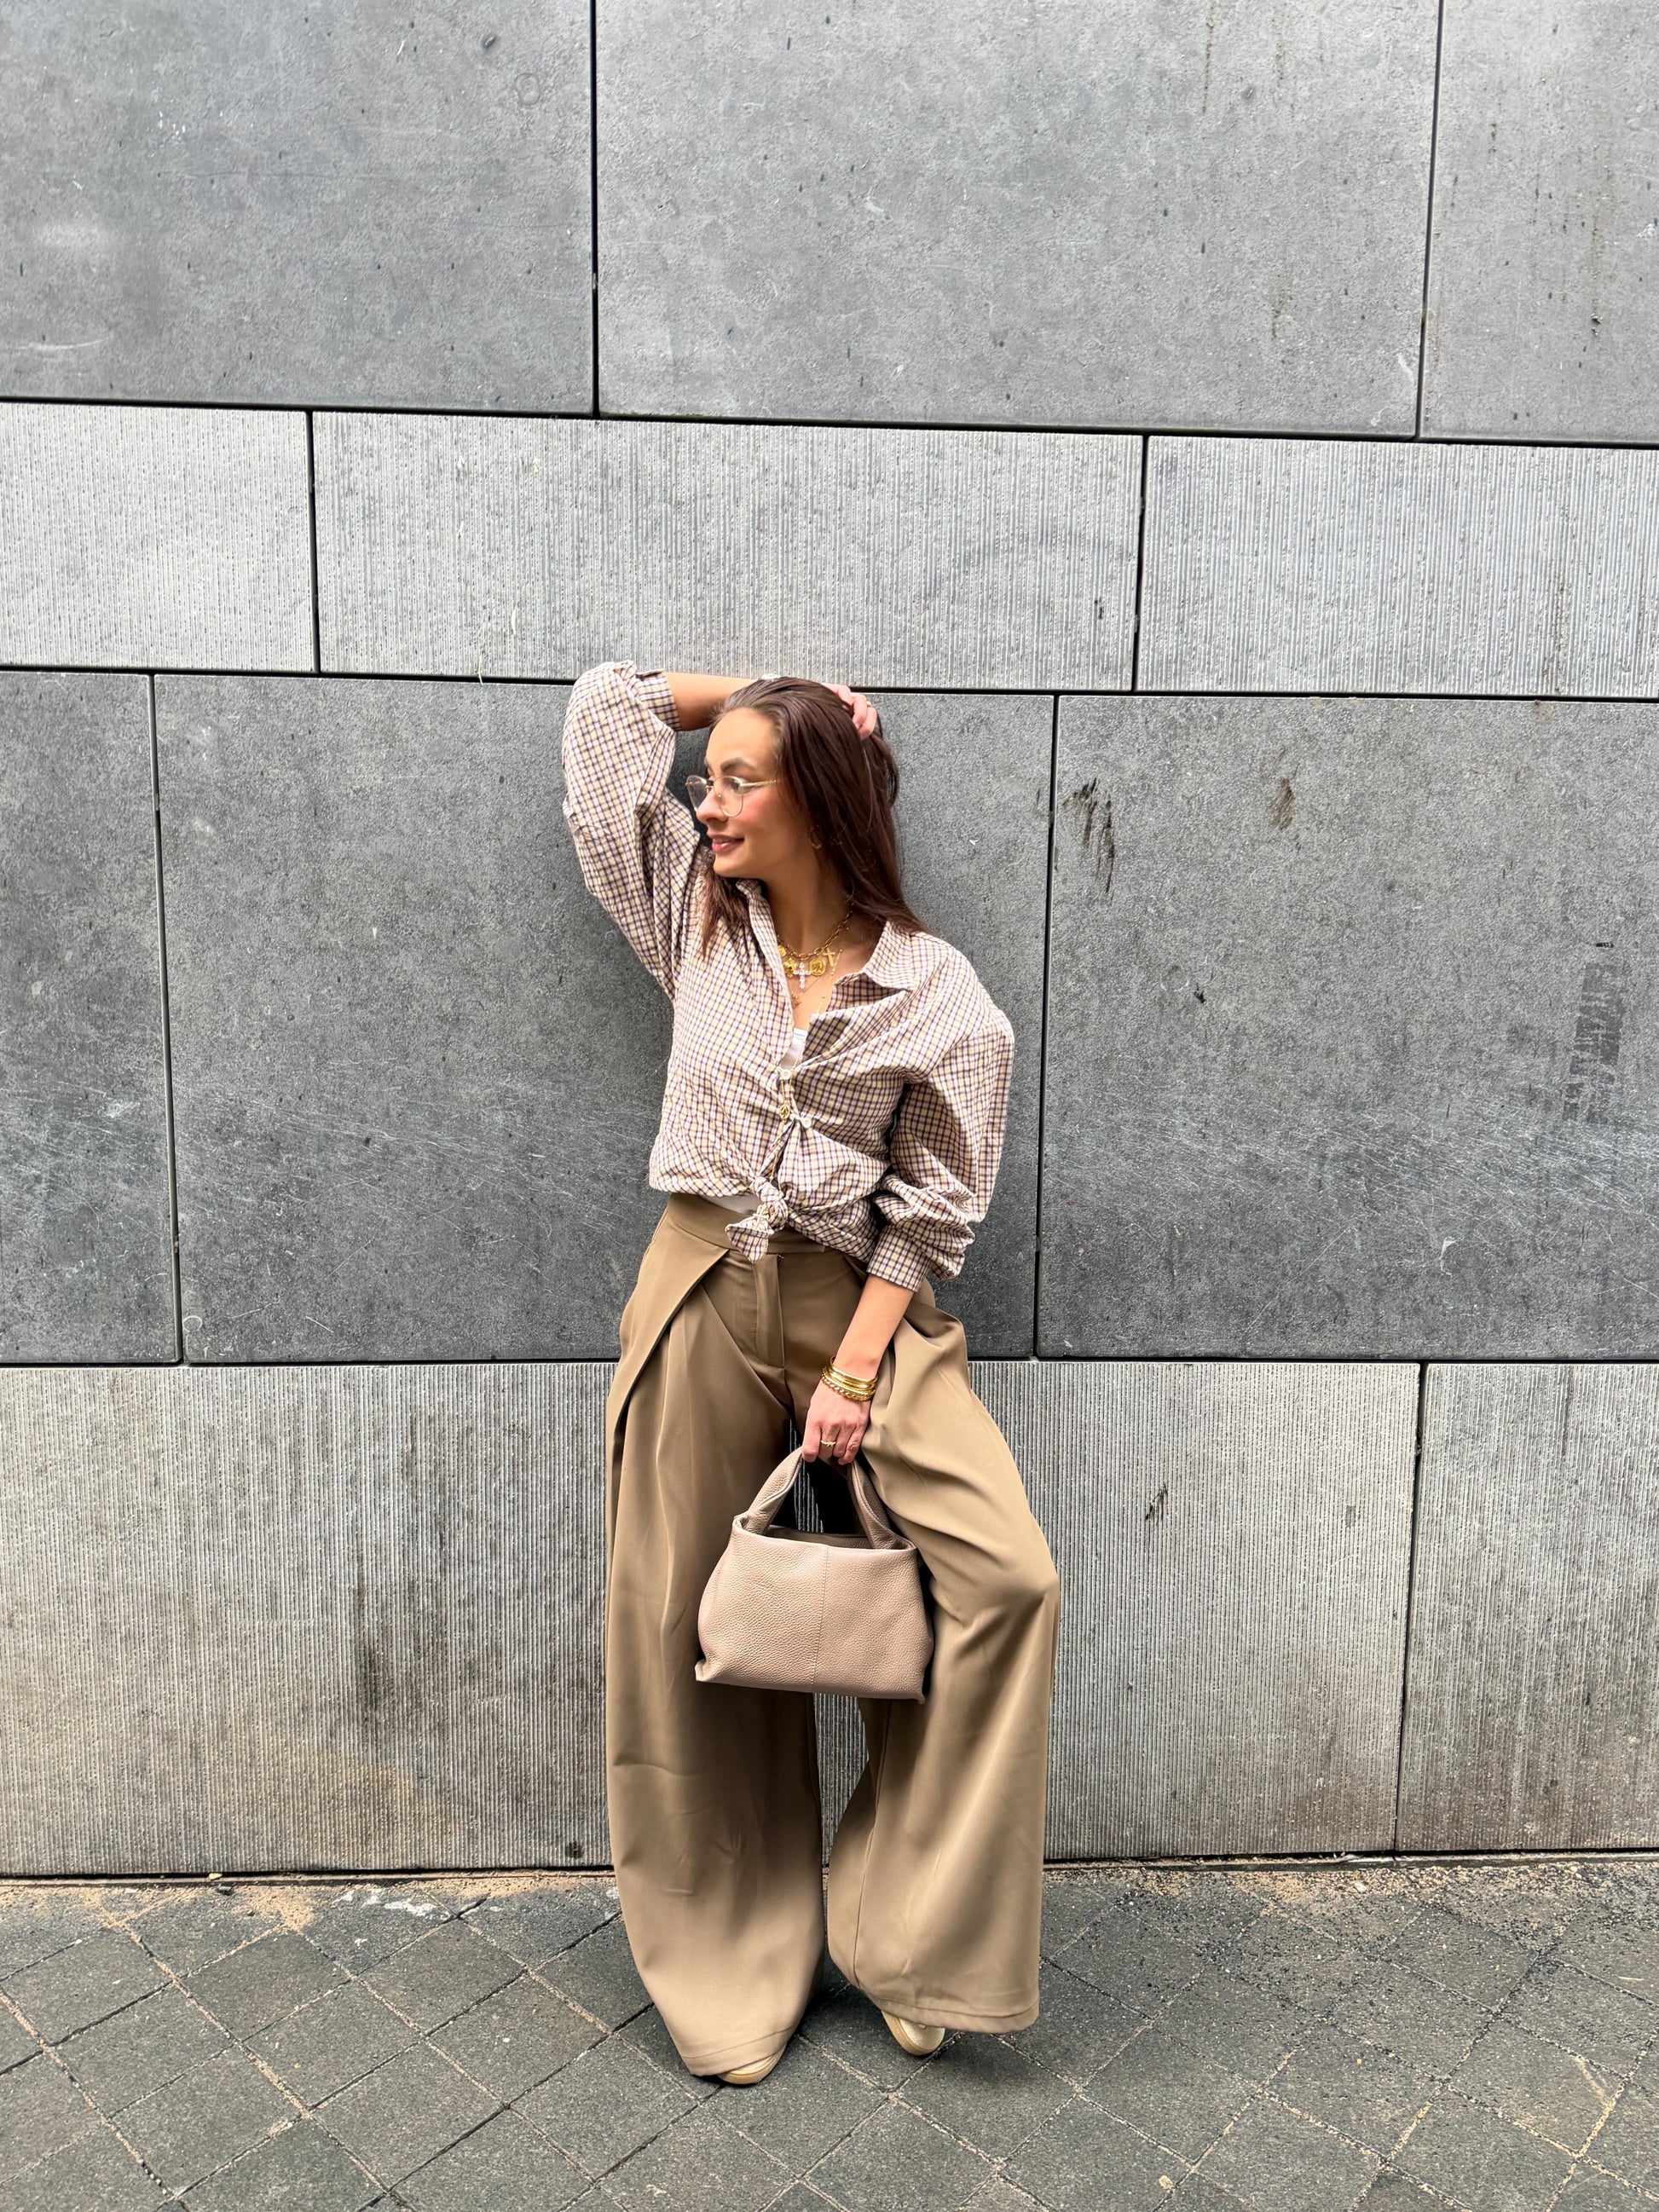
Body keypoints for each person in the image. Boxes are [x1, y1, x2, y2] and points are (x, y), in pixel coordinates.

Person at [560, 659, 1061, 2086]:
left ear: (820, 802)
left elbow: (937, 1205)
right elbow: (603, 720)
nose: (706, 801)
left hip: (861, 1311)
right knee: (679, 1625)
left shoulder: (937, 994)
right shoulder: (693, 917)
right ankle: (731, 1957)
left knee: (1004, 1582)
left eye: (739, 779)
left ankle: (905, 1934)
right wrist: (777, 692)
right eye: (707, 776)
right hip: (697, 1284)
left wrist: (850, 1375)